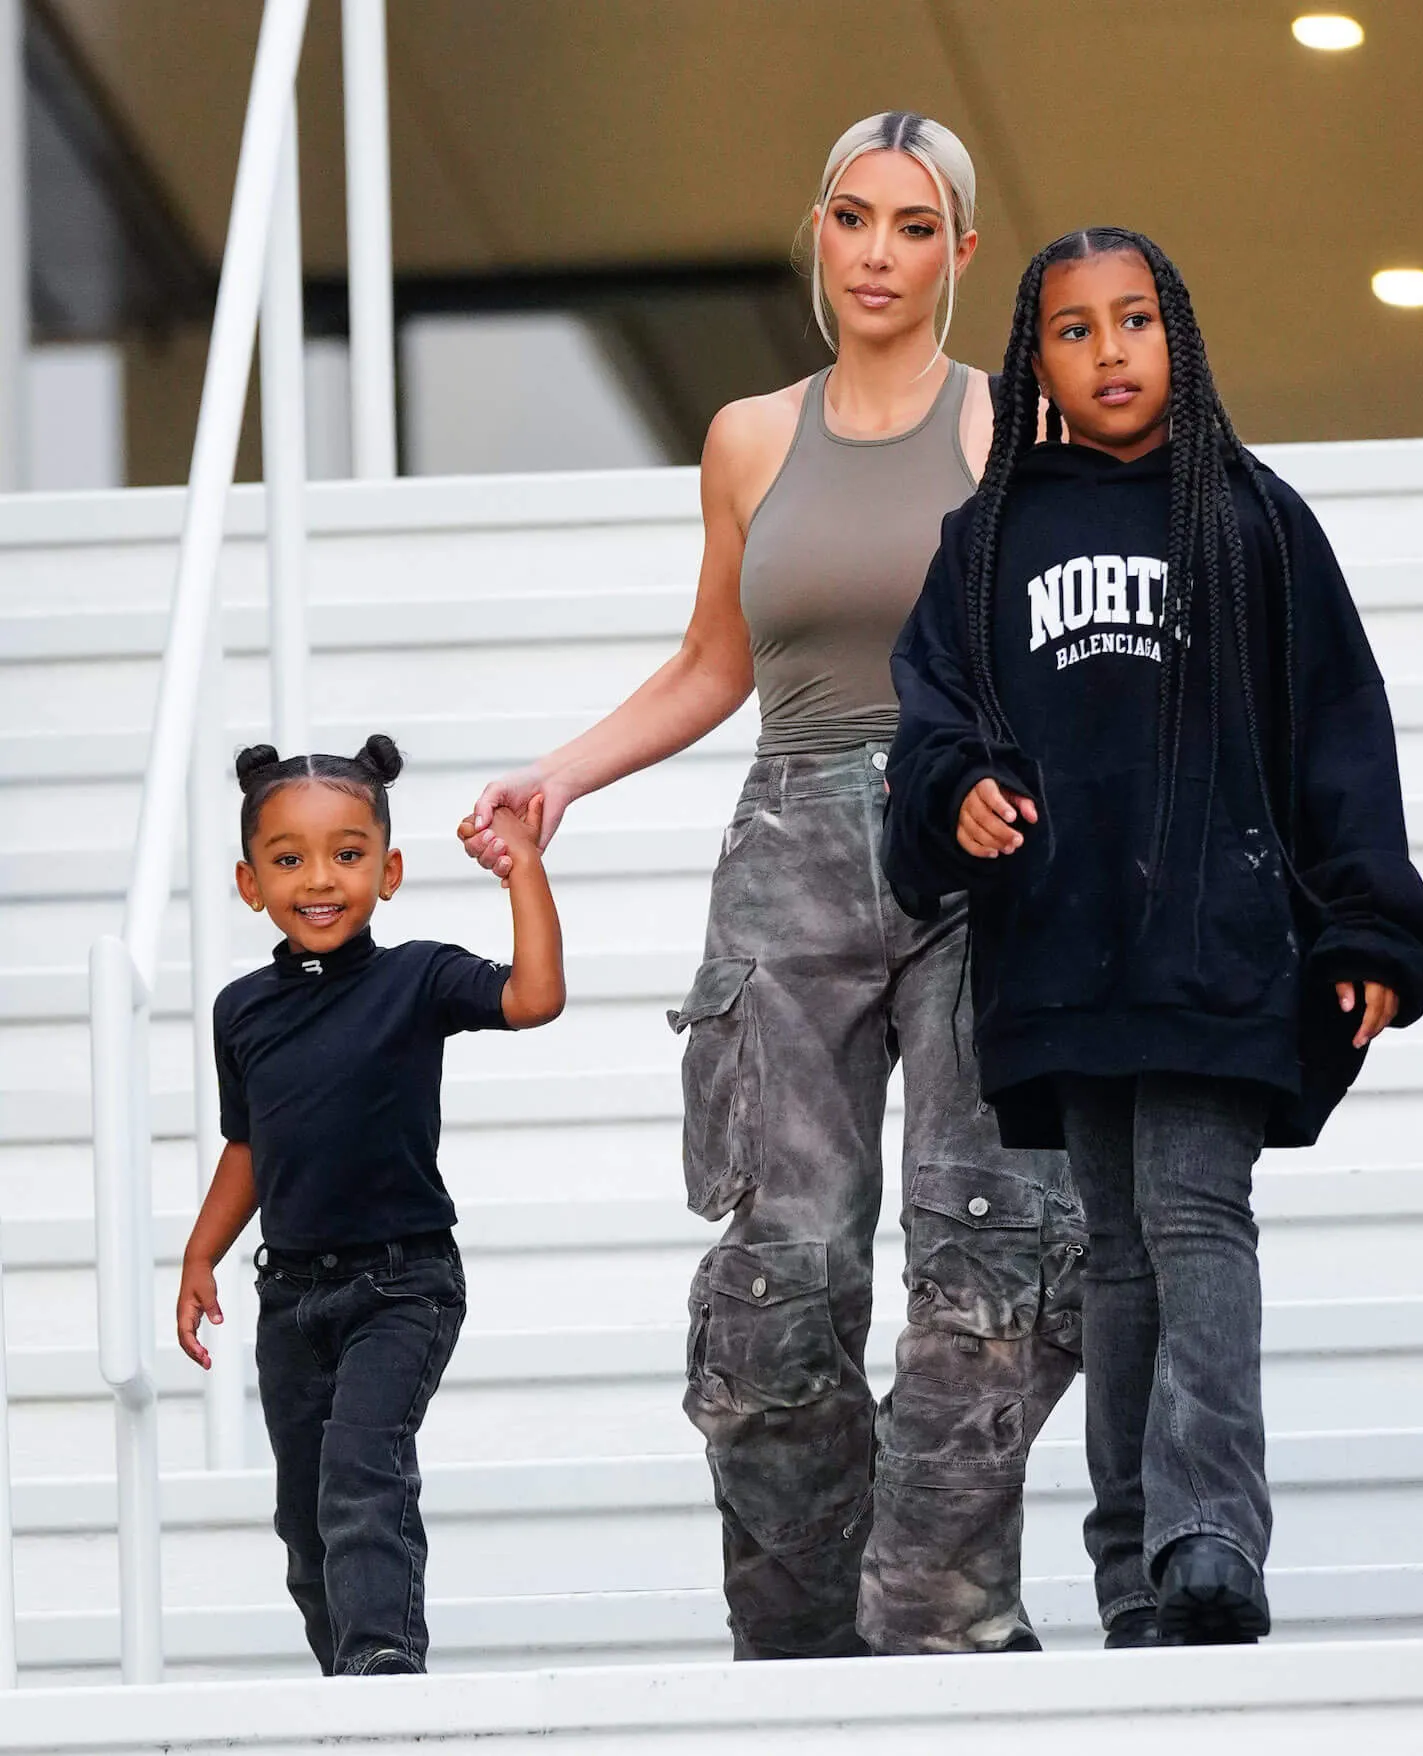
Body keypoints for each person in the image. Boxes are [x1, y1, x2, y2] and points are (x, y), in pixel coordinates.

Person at [460, 113, 1083, 1659]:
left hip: (974, 847)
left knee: (985, 1247)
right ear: (817, 229)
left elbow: (1073, 652)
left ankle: (936, 1612)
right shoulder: (748, 435)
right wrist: (558, 776)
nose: (878, 252)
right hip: (789, 851)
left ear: (960, 251)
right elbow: (709, 668)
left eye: (913, 225)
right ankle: (799, 1640)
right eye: (852, 219)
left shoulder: (1013, 427)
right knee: (781, 1271)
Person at [882, 228, 1423, 1647]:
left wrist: (1364, 922)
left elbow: (1335, 728)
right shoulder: (987, 538)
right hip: (1063, 946)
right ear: (1035, 365)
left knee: (1194, 1215)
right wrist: (958, 797)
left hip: (1214, 939)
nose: (1109, 350)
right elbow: (930, 720)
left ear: (1176, 337)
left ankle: (1208, 1536)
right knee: (1117, 1250)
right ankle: (1135, 1568)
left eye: (1133, 320)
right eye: (1073, 330)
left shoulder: (1250, 518)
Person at [176, 734, 564, 1676]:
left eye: (348, 856)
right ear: (247, 882)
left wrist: (524, 872)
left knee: (362, 1474)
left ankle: (384, 1665)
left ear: (388, 872)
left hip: (404, 1285)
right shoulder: (241, 1010)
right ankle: (344, 1678)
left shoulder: (416, 978)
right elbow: (250, 1144)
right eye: (289, 858)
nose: (320, 879)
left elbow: (534, 997)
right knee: (305, 1518)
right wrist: (199, 1255)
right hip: (291, 1301)